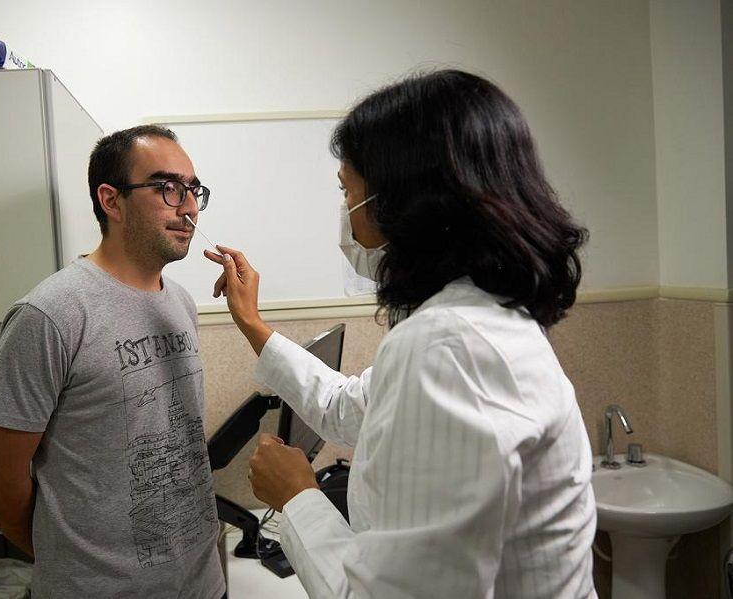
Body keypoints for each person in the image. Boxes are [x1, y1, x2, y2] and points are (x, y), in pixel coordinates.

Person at [205, 70, 596, 598]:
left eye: (347, 191)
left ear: (406, 200)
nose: (346, 215)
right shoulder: (471, 320)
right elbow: (345, 408)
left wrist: (297, 498)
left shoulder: (450, 346)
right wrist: (252, 324)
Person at [0, 126, 225, 598]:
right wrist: (69, 559)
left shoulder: (180, 302)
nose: (189, 207)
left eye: (193, 190)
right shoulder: (51, 314)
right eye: (168, 188)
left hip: (201, 584)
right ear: (111, 201)